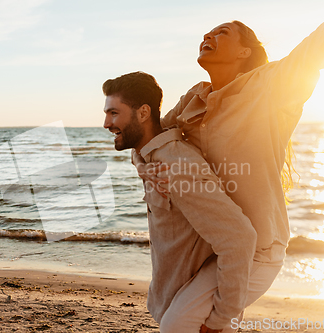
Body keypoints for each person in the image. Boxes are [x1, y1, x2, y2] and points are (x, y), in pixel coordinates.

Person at [133, 1, 324, 332]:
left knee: (177, 325)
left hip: (258, 249)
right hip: (211, 247)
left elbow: (316, 50)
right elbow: (152, 140)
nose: (208, 35)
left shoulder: (270, 88)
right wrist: (147, 169)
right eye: (208, 32)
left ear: (245, 52)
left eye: (222, 32)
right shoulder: (194, 99)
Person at [103, 71, 257, 333]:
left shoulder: (176, 166)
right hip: (173, 296)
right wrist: (141, 165)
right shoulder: (149, 156)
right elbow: (141, 150)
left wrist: (222, 319)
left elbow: (240, 239)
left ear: (142, 113)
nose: (106, 123)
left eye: (114, 113)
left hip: (198, 312)